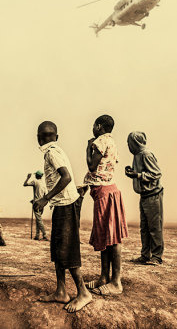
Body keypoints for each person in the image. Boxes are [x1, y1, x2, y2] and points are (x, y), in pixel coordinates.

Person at [33, 121, 92, 313]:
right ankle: (61, 291)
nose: (46, 138)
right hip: (61, 205)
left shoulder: (52, 152)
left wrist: (44, 199)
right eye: (45, 135)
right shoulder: (55, 150)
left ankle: (83, 293)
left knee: (68, 250)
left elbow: (65, 177)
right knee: (58, 249)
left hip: (66, 205)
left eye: (47, 135)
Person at [83, 115, 128, 296]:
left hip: (105, 193)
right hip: (107, 192)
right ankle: (104, 277)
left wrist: (87, 148)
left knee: (113, 239)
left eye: (94, 125)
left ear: (99, 126)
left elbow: (92, 166)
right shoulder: (111, 141)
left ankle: (116, 282)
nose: (92, 128)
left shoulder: (100, 141)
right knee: (106, 237)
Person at [126, 131, 164, 265]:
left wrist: (138, 175)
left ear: (135, 142)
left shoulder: (146, 154)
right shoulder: (137, 155)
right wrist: (134, 173)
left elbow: (156, 173)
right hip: (145, 195)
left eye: (129, 142)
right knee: (145, 227)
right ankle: (145, 255)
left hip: (153, 195)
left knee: (154, 227)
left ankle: (157, 257)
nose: (128, 145)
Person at [23, 170, 48, 240]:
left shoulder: (35, 181)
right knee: (38, 220)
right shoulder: (43, 184)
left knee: (39, 220)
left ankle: (44, 235)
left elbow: (25, 184)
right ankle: (37, 235)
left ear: (37, 176)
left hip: (36, 203)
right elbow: (45, 195)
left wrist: (28, 178)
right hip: (42, 204)